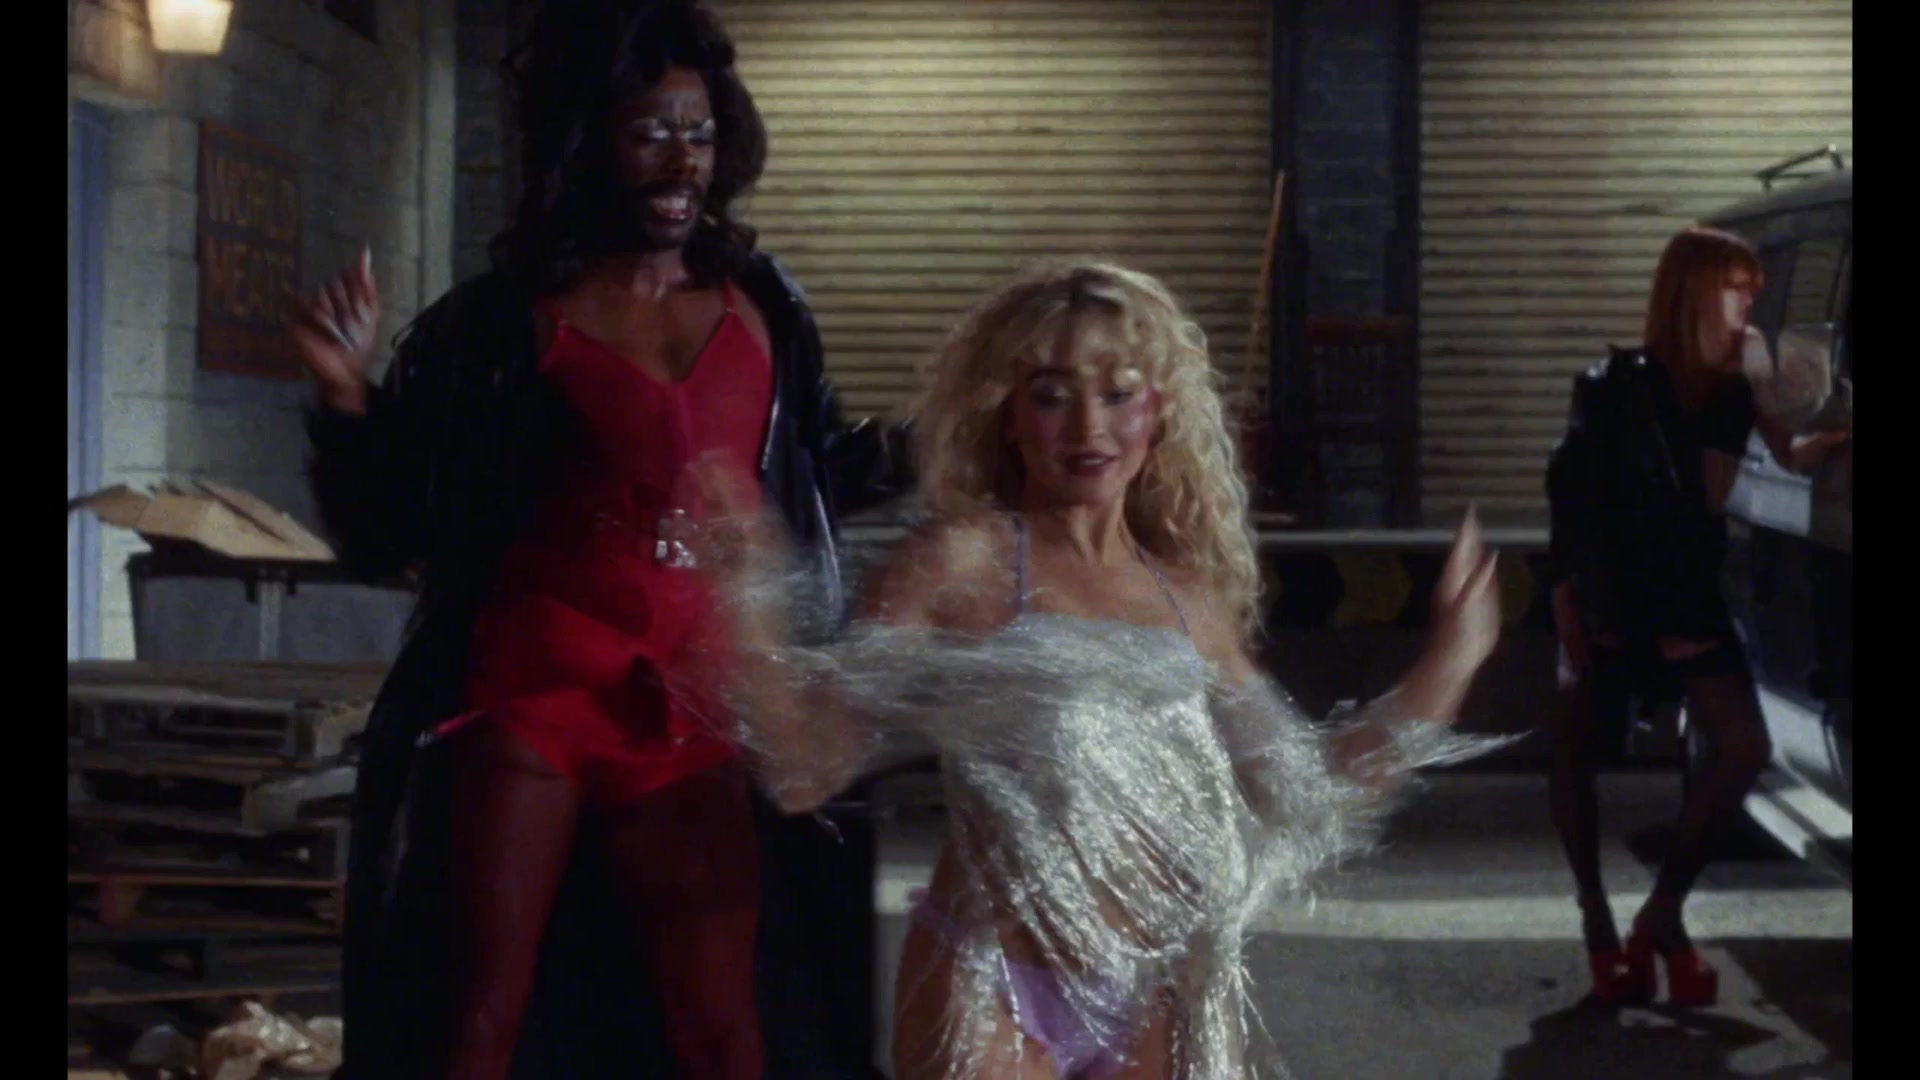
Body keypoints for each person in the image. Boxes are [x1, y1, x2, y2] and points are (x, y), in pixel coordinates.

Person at [286, 2, 911, 1075]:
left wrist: (961, 439)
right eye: (651, 132)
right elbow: (390, 522)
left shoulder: (765, 305)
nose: (682, 160)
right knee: (480, 1013)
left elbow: (825, 469)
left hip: (697, 699)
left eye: (700, 132)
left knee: (726, 1022)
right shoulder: (503, 321)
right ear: (589, 141)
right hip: (536, 688)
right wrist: (347, 394)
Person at [691, 260, 1509, 1077]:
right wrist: (748, 595)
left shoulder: (1189, 600)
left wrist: (1455, 656)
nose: (1090, 426)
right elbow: (807, 766)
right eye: (1052, 396)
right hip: (993, 986)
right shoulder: (959, 563)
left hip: (1161, 986)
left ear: (1160, 411)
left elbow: (1307, 794)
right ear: (1008, 415)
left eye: (1120, 393)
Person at [1543, 225, 1849, 1008]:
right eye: (1737, 286)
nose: (1750, 300)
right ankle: (1597, 920)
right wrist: (1570, 596)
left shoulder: (1734, 388)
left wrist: (1805, 409)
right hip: (1609, 590)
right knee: (1575, 752)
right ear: (1694, 291)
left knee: (1742, 749)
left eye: (1753, 287)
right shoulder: (1611, 386)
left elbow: (1786, 455)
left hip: (1684, 590)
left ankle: (1662, 912)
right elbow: (1571, 498)